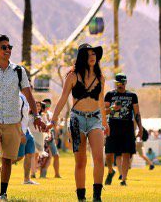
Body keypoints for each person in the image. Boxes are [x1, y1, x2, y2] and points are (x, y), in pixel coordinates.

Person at [0, 34, 44, 201]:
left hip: (13, 120)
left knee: (8, 158)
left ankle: (3, 192)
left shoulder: (19, 71)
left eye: (10, 47)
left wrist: (36, 115)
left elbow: (28, 94)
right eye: (4, 47)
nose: (8, 50)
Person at [52, 43, 106, 202]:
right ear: (82, 57)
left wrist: (105, 122)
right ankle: (81, 197)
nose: (93, 57)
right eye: (89, 54)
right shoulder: (72, 76)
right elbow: (63, 99)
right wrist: (54, 119)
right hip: (77, 120)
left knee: (98, 158)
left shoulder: (100, 77)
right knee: (81, 161)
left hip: (95, 119)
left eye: (94, 54)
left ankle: (97, 196)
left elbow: (101, 101)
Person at [104, 73, 143, 187]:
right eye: (118, 83)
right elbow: (103, 111)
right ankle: (111, 170)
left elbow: (137, 113)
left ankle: (124, 179)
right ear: (115, 83)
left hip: (127, 126)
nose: (120, 85)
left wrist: (140, 128)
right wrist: (112, 108)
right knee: (109, 153)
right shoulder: (110, 95)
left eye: (122, 83)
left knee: (127, 153)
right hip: (113, 126)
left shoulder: (132, 96)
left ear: (126, 83)